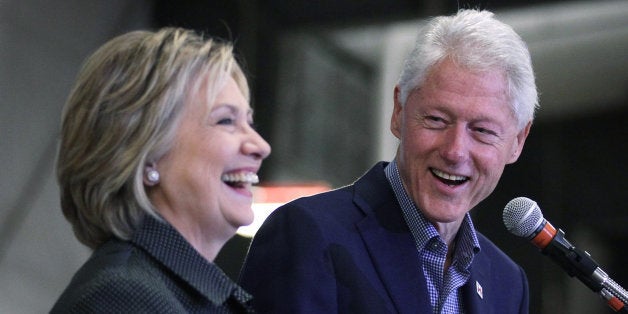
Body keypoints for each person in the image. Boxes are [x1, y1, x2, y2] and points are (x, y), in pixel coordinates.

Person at [239, 9, 537, 314]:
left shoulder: (508, 284)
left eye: (482, 131)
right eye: (436, 119)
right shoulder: (308, 235)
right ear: (398, 112)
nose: (455, 151)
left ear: (517, 142)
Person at [51, 27, 271, 313]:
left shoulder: (165, 292)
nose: (260, 146)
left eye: (249, 123)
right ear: (146, 154)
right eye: (226, 121)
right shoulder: (125, 298)